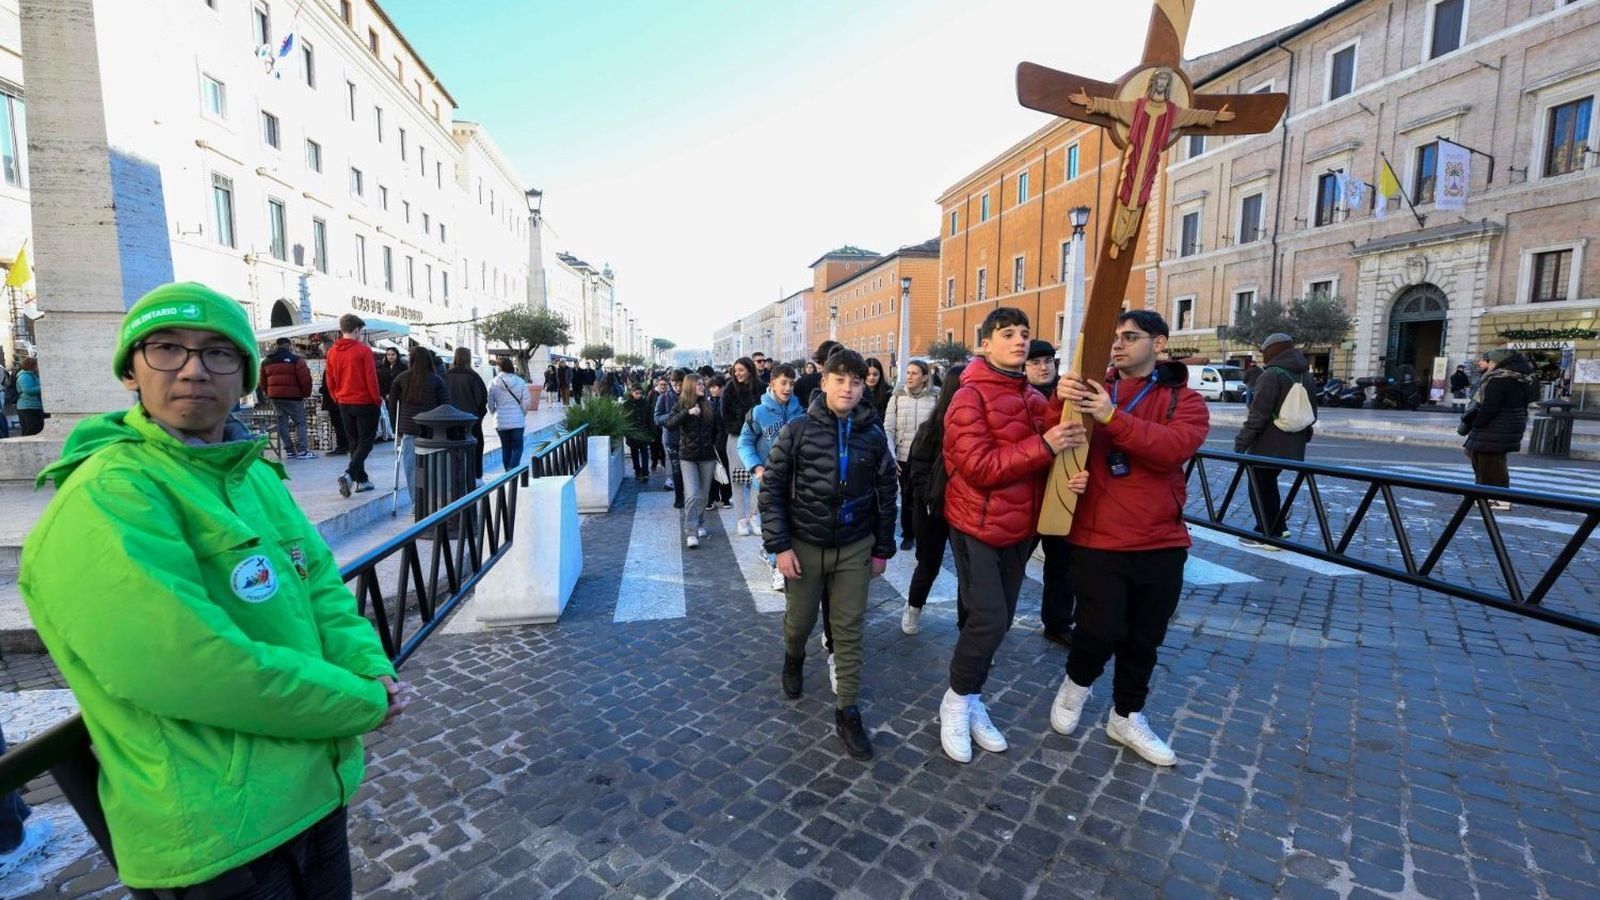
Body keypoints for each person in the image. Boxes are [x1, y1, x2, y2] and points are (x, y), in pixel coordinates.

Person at [19, 281, 409, 895]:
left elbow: (320, 588)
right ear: (131, 370)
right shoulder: (108, 496)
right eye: (168, 349)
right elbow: (190, 665)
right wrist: (358, 702)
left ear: (244, 374)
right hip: (216, 833)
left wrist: (367, 664)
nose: (195, 369)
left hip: (309, 795)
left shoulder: (251, 473)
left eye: (219, 352)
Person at [1052, 309, 1209, 768]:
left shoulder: (1187, 400)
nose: (1118, 345)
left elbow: (1171, 449)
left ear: (1159, 344)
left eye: (1131, 337)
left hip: (1161, 540)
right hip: (1098, 537)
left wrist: (1112, 415)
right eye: (1115, 337)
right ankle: (1076, 685)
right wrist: (1057, 402)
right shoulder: (1091, 390)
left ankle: (1126, 715)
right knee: (1100, 629)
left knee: (1145, 639)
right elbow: (1053, 437)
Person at [938, 309, 1080, 764]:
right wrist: (1046, 446)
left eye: (1024, 333)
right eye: (1007, 334)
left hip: (1020, 529)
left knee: (995, 621)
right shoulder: (969, 398)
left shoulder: (1030, 397)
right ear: (984, 344)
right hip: (976, 524)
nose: (1020, 341)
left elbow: (1058, 436)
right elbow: (978, 468)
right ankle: (956, 703)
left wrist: (1069, 469)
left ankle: (973, 696)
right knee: (989, 620)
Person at [761, 350, 896, 760]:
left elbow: (888, 493)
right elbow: (772, 492)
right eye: (840, 380)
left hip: (854, 546)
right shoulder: (798, 429)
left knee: (849, 628)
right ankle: (794, 657)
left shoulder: (872, 434)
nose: (848, 388)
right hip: (804, 544)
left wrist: (883, 548)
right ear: (824, 383)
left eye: (856, 382)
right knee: (799, 622)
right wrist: (780, 547)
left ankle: (847, 709)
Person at [1234, 333, 1318, 549]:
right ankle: (1276, 527)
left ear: (1272, 351)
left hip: (1267, 443)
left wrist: (1241, 442)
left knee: (1260, 487)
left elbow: (1258, 415)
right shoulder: (1304, 375)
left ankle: (1269, 534)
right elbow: (1312, 413)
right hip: (1293, 442)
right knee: (1268, 486)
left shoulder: (1272, 374)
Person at [901, 364, 965, 636]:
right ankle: (913, 608)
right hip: (932, 508)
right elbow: (917, 471)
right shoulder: (931, 429)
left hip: (965, 509)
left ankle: (969, 630)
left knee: (969, 572)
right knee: (929, 562)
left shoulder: (977, 427)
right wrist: (930, 499)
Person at [1023, 340, 1075, 646]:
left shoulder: (1067, 395)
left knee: (1062, 563)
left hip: (1060, 490)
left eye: (1048, 361)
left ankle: (1057, 622)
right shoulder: (1019, 396)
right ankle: (993, 619)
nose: (1043, 367)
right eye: (1035, 362)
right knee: (1014, 561)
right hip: (1027, 492)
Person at [739, 364, 806, 591]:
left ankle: (772, 553)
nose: (788, 388)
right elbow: (744, 442)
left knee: (791, 521)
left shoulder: (801, 411)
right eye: (783, 383)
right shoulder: (758, 412)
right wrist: (756, 467)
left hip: (796, 477)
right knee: (772, 521)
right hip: (767, 477)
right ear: (773, 384)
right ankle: (776, 566)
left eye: (791, 383)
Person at [1461, 349, 1534, 511]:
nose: (1489, 364)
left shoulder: (1499, 379)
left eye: (1492, 361)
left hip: (1496, 425)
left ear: (1499, 362)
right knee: (1483, 456)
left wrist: (1476, 421)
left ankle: (1497, 498)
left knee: (1490, 460)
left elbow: (1490, 406)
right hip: (1509, 423)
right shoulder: (1520, 379)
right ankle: (1483, 493)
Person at [883, 359, 939, 552]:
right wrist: (891, 455)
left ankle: (925, 534)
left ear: (924, 377)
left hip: (927, 459)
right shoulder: (897, 397)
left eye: (914, 373)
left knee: (924, 498)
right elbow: (888, 429)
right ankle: (908, 534)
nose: (909, 377)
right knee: (907, 498)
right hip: (903, 457)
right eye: (908, 373)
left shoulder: (935, 398)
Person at [324, 314, 382, 497]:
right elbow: (371, 378)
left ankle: (362, 480)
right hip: (364, 401)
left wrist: (336, 396)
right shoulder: (363, 351)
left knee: (354, 442)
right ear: (356, 329)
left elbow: (329, 379)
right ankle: (349, 474)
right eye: (361, 331)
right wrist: (376, 400)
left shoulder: (332, 351)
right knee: (366, 443)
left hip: (343, 402)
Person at [663, 372, 722, 548]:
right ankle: (691, 531)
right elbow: (669, 424)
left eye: (702, 384)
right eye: (699, 384)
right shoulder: (681, 404)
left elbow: (719, 428)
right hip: (687, 457)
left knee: (703, 495)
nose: (702, 387)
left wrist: (716, 445)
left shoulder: (710, 405)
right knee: (692, 494)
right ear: (690, 386)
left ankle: (700, 521)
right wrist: (687, 413)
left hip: (707, 457)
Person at [389, 347, 450, 507]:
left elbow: (392, 405)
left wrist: (396, 426)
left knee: (412, 468)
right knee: (431, 468)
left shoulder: (401, 378)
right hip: (431, 431)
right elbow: (445, 405)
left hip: (408, 429)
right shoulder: (436, 380)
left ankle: (417, 503)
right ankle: (431, 501)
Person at [260, 337, 317, 459]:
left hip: (275, 397)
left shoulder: (266, 361)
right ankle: (302, 451)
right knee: (300, 423)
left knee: (282, 423)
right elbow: (305, 379)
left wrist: (269, 393)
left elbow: (263, 381)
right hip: (294, 397)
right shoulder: (296, 360)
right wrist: (306, 394)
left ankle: (290, 451)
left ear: (277, 345)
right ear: (289, 346)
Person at [723, 357, 762, 535]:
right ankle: (741, 519)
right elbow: (725, 416)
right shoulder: (729, 389)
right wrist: (742, 430)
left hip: (759, 439)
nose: (737, 373)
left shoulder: (761, 387)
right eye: (735, 370)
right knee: (738, 479)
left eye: (741, 369)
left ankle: (754, 516)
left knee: (757, 478)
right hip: (737, 437)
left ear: (749, 370)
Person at [445, 347, 488, 483]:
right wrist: (479, 416)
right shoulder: (473, 376)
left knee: (453, 449)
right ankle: (477, 475)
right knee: (476, 447)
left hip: (450, 419)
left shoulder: (446, 376)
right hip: (471, 420)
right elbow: (481, 398)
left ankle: (455, 476)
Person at [488, 358, 530, 471]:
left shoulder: (493, 382)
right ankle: (513, 469)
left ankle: (508, 473)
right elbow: (526, 401)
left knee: (505, 447)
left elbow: (490, 402)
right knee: (518, 447)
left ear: (499, 368)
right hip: (517, 420)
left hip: (500, 420)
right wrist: (522, 413)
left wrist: (495, 413)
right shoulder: (520, 382)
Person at [654, 370, 686, 507]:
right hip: (671, 438)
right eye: (674, 384)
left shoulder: (690, 396)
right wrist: (672, 416)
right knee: (676, 468)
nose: (677, 387)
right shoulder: (664, 397)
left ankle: (689, 496)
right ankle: (679, 497)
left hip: (688, 438)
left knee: (687, 469)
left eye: (680, 384)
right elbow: (656, 418)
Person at [624, 383, 655, 482]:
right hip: (632, 434)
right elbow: (625, 421)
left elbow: (650, 420)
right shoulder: (626, 405)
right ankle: (637, 471)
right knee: (634, 454)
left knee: (645, 453)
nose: (639, 395)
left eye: (640, 393)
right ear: (632, 393)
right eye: (636, 393)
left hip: (644, 433)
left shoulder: (646, 404)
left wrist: (652, 433)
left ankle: (645, 473)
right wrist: (627, 435)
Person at [377, 347, 408, 436]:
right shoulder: (383, 368)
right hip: (386, 397)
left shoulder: (403, 367)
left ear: (397, 355)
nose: (390, 357)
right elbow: (380, 383)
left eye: (393, 355)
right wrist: (384, 394)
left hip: (399, 396)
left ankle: (399, 432)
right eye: (388, 355)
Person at [318, 371, 349, 456]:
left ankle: (342, 446)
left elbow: (328, 386)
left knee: (338, 424)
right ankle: (348, 445)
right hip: (342, 400)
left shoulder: (330, 370)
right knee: (344, 424)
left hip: (333, 401)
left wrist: (321, 389)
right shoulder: (341, 367)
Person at [15, 357, 43, 436]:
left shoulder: (33, 374)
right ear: (32, 365)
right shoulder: (24, 376)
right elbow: (28, 390)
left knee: (35, 430)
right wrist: (44, 387)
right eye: (37, 364)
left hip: (34, 406)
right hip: (27, 407)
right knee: (30, 432)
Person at [648, 375, 669, 472]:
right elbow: (648, 408)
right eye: (661, 384)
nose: (663, 386)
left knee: (663, 445)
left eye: (665, 384)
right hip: (654, 425)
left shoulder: (669, 395)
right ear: (658, 384)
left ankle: (664, 463)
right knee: (654, 445)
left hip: (665, 424)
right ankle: (654, 463)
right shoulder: (652, 394)